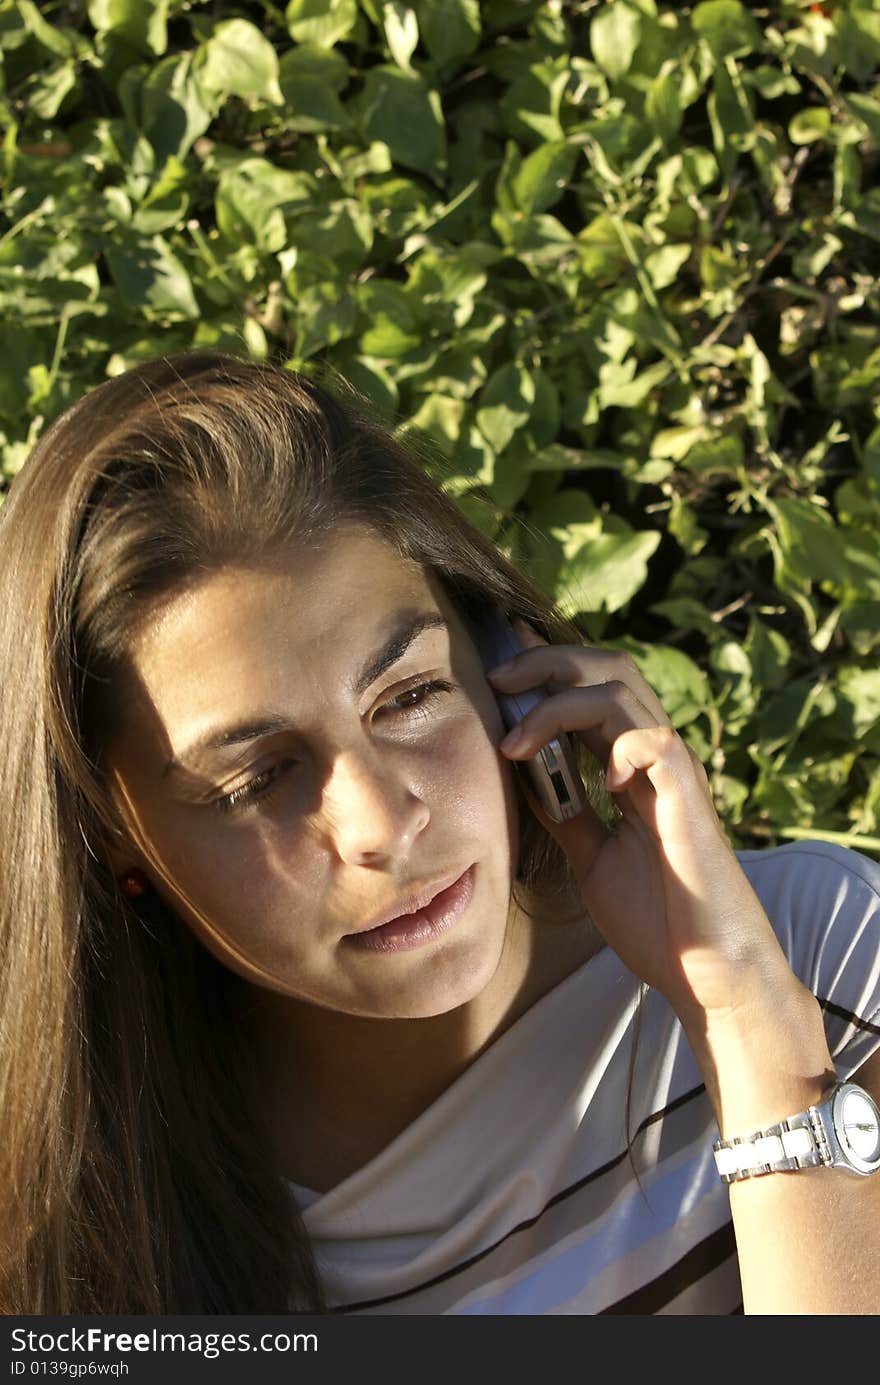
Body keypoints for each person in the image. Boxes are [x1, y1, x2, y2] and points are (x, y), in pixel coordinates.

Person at [1, 352, 878, 1317]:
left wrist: (752, 1022)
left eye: (412, 694)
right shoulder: (83, 1238)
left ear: (510, 662)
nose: (382, 822)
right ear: (108, 837)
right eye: (255, 779)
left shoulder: (816, 957)